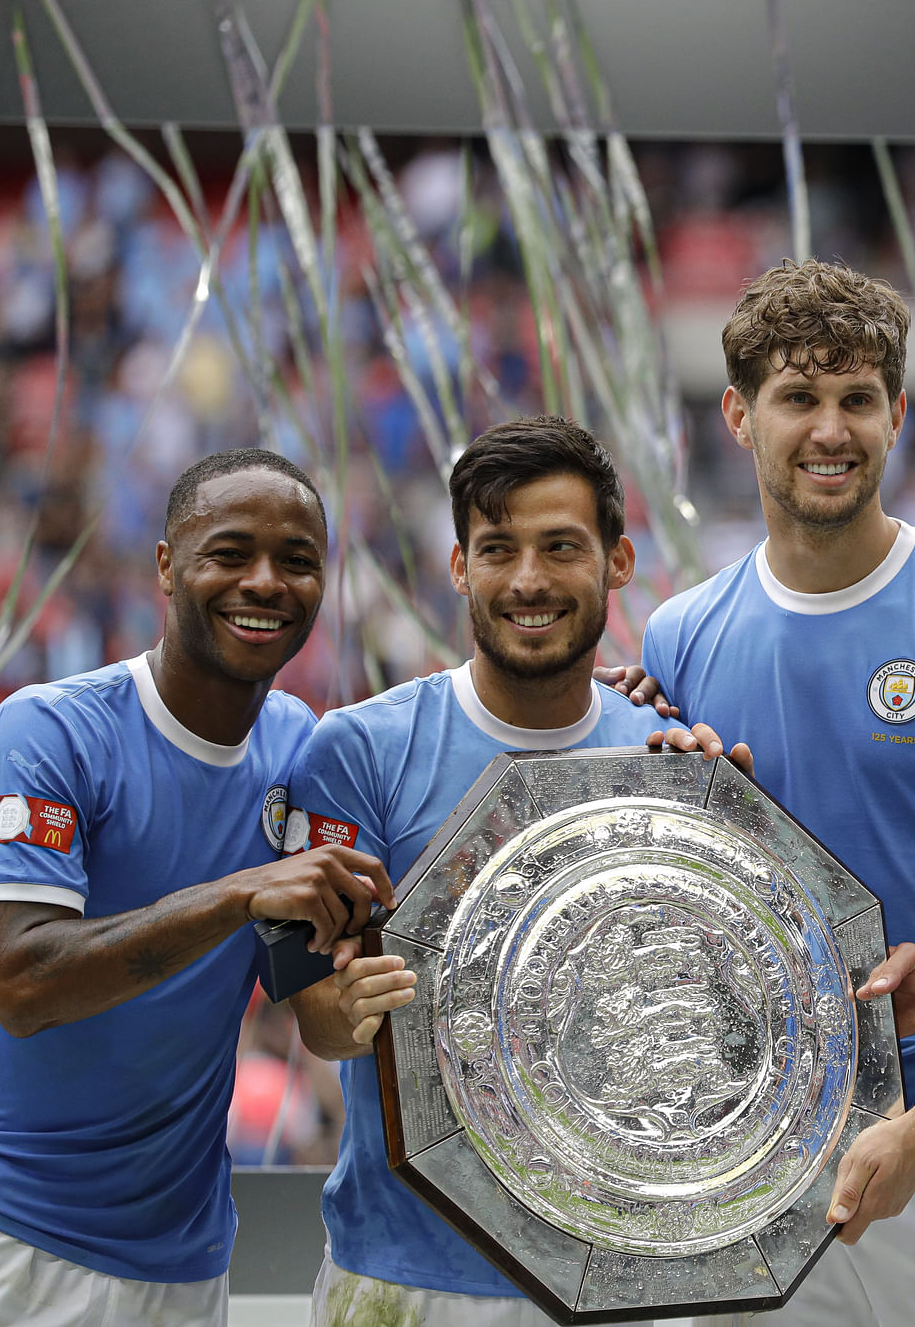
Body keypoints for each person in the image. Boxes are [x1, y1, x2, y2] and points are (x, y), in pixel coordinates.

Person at [641, 259, 915, 1327]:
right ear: (740, 417)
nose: (829, 429)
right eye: (798, 398)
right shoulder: (678, 636)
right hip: (749, 1160)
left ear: (896, 415)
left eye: (856, 400)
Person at [0, 448, 391, 1327]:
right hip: (8, 1243)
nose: (264, 582)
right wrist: (240, 893)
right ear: (166, 566)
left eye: (297, 560)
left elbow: (305, 1000)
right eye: (229, 553)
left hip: (188, 1264)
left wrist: (369, 997)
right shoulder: (48, 730)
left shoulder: (298, 746)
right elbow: (23, 983)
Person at [284, 417, 689, 1327]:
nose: (529, 580)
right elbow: (316, 1012)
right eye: (498, 548)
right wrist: (349, 1011)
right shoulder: (359, 751)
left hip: (624, 1280)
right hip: (405, 1279)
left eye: (561, 547)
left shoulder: (672, 760)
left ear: (618, 561)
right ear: (461, 566)